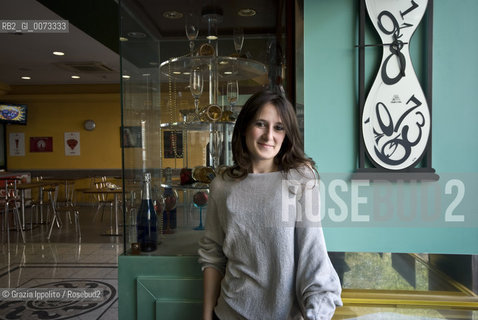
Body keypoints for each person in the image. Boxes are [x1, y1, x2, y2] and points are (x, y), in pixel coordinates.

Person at [198, 89, 342, 320]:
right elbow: (212, 255)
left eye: (278, 127)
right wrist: (206, 317)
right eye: (260, 124)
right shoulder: (221, 185)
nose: (268, 136)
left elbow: (312, 256)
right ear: (245, 127)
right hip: (228, 313)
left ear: (286, 134)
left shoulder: (300, 179)